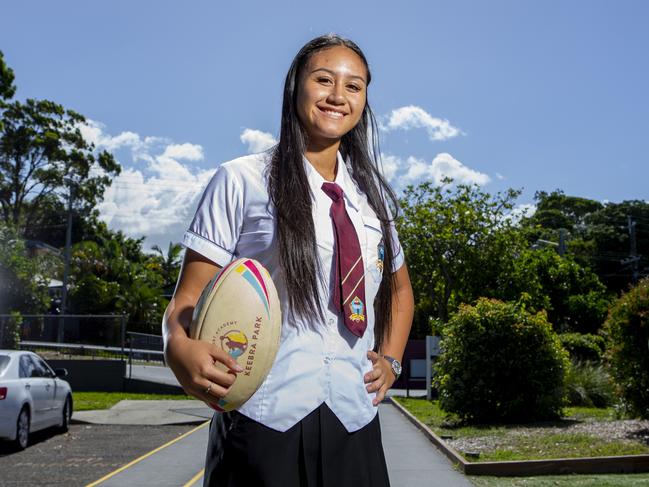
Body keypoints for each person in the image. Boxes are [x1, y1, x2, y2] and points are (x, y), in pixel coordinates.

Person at [162, 33, 414, 487]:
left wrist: (391, 361)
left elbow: (399, 290)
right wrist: (178, 347)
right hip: (263, 420)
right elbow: (188, 297)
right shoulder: (241, 180)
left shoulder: (372, 200)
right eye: (324, 80)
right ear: (295, 86)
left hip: (353, 421)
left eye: (354, 86)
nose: (338, 96)